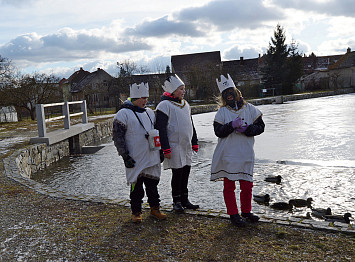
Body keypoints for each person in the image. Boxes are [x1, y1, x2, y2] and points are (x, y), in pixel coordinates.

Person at [211, 74, 265, 227]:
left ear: (236, 92)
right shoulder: (221, 113)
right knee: (229, 186)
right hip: (228, 154)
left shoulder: (251, 109)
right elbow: (218, 131)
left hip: (245, 152)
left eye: (230, 92)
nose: (229, 95)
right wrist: (230, 126)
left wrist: (248, 129)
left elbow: (261, 128)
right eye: (225, 94)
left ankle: (246, 211)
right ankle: (233, 214)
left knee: (247, 185)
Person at [113, 82, 166, 223]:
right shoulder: (122, 114)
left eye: (146, 98)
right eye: (142, 98)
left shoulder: (149, 113)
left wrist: (160, 150)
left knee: (152, 186)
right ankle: (136, 212)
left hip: (151, 155)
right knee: (136, 188)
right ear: (135, 98)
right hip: (135, 157)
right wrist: (125, 156)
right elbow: (118, 138)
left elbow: (155, 133)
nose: (145, 101)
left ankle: (155, 208)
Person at [155, 74, 199, 213]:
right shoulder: (164, 105)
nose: (183, 91)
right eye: (181, 88)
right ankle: (177, 200)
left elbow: (190, 124)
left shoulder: (185, 104)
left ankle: (185, 199)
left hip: (185, 145)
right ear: (173, 90)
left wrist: (194, 141)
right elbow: (161, 128)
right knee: (177, 173)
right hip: (174, 145)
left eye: (184, 88)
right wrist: (165, 148)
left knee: (186, 172)